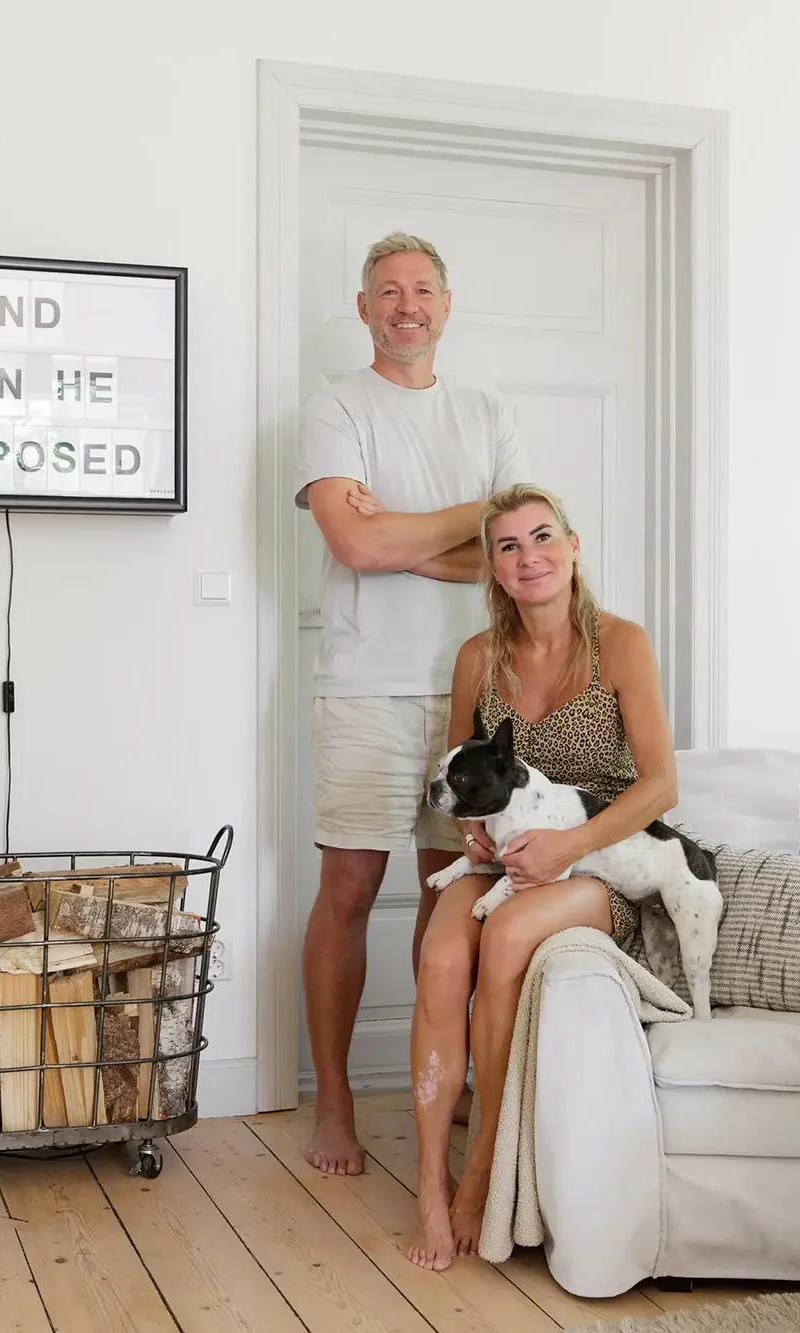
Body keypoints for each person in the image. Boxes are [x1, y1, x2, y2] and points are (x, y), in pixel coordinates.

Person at [294, 232, 530, 1176]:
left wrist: (403, 534)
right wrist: (468, 519)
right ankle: (336, 1103)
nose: (407, 305)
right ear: (364, 308)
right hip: (364, 689)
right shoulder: (335, 407)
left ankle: (445, 1083)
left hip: (472, 692)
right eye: (388, 291)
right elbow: (353, 546)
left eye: (422, 289)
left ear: (445, 305)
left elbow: (517, 553)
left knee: (454, 899)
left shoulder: (486, 411)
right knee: (349, 891)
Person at [407, 481, 679, 1270]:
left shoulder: (622, 644)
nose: (529, 556)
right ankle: (430, 1179)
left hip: (597, 856)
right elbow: (454, 774)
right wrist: (471, 832)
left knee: (504, 940)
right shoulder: (477, 658)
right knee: (441, 955)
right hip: (504, 855)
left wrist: (569, 845)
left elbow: (661, 786)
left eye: (543, 537)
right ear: (494, 568)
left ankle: (482, 1174)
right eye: (509, 545)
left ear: (573, 547)